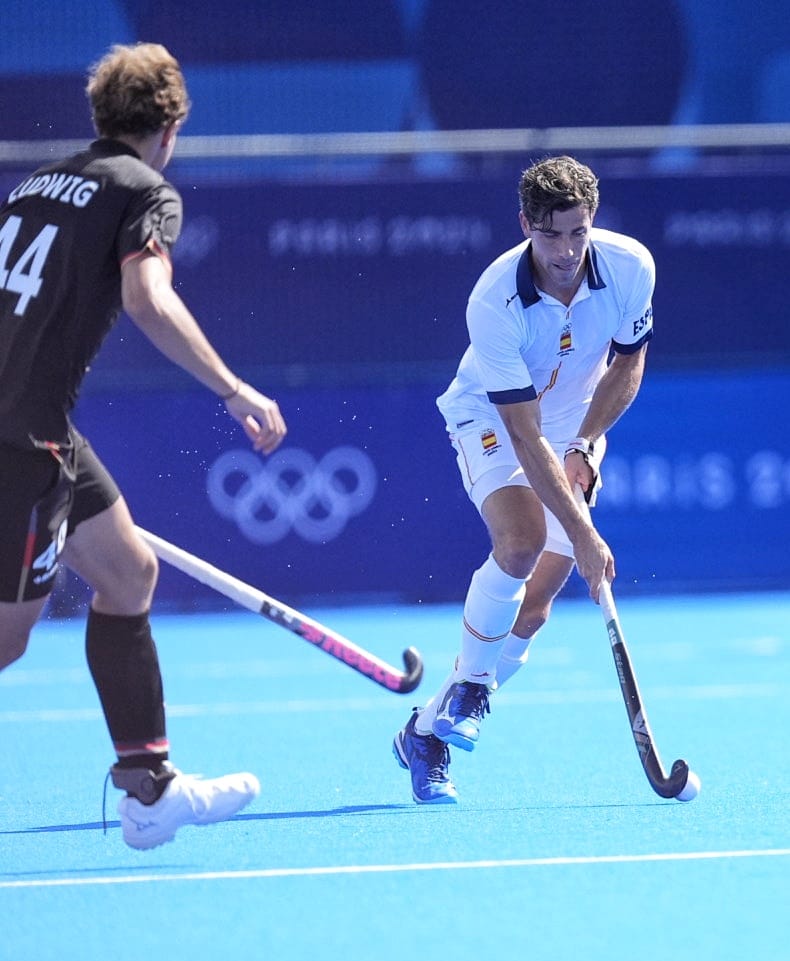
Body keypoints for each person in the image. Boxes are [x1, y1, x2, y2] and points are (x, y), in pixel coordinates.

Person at [0, 42, 288, 849]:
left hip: (41, 425)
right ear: (169, 128)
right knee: (8, 637)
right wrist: (233, 389)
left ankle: (150, 790)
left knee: (129, 572)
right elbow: (147, 298)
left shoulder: (35, 184)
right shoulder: (145, 191)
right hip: (22, 437)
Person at [393, 155, 654, 803]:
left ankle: (426, 730)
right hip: (492, 416)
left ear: (593, 221)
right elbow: (523, 432)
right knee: (521, 541)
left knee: (533, 610)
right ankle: (471, 688)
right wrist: (583, 532)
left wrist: (586, 444)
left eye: (578, 232)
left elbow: (626, 366)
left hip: (574, 423)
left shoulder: (631, 267)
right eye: (550, 234)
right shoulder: (494, 301)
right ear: (524, 225)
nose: (566, 251)